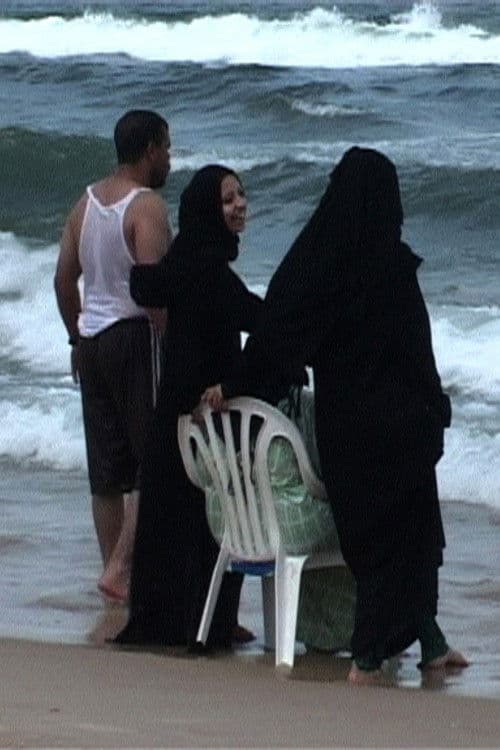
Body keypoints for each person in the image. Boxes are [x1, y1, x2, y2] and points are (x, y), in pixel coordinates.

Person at [202, 147, 469, 683]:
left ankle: (430, 643)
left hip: (346, 428)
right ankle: (367, 660)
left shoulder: (317, 265)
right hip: (400, 429)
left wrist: (233, 386)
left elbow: (277, 339)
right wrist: (434, 411)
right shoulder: (392, 268)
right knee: (407, 541)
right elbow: (418, 351)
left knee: (380, 540)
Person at [114, 164, 263, 648]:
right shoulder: (211, 272)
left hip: (175, 416)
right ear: (207, 211)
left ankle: (180, 621)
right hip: (204, 419)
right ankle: (209, 622)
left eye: (241, 195)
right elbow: (257, 320)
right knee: (211, 520)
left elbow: (149, 283)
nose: (239, 205)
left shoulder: (187, 261)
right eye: (228, 199)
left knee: (173, 525)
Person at [54, 109, 173, 603]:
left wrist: (76, 338)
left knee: (105, 473)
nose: (170, 158)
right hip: (134, 337)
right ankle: (125, 568)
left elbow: (64, 279)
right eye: (167, 147)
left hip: (93, 341)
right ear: (149, 150)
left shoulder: (85, 204)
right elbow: (153, 289)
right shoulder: (146, 207)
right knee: (154, 457)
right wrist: (173, 345)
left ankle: (113, 576)